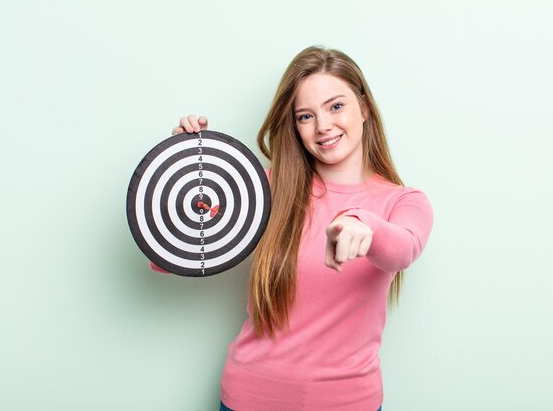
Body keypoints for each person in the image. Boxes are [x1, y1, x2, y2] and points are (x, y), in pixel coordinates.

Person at [167, 46, 433, 411]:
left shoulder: (403, 202)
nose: (323, 126)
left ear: (365, 107)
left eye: (336, 106)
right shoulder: (266, 188)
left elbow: (403, 249)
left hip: (348, 402)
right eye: (305, 116)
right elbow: (174, 252)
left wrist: (364, 226)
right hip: (248, 398)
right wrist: (186, 165)